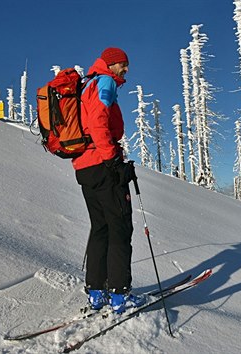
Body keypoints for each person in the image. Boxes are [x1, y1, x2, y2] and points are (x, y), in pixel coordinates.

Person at [73, 47, 144, 314]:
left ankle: (96, 291)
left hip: (84, 167)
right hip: (103, 165)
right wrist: (112, 159)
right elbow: (98, 121)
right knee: (120, 227)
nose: (126, 70)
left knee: (100, 227)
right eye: (123, 65)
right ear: (111, 64)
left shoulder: (87, 84)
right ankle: (119, 295)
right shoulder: (104, 82)